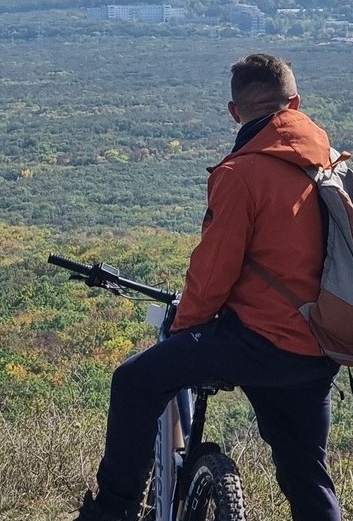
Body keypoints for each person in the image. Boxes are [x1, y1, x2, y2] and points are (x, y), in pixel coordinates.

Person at [75, 53, 340, 521]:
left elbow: (213, 271)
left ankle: (112, 512)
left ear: (235, 112)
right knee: (308, 479)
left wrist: (186, 330)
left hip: (259, 339)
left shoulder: (241, 175)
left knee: (134, 381)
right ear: (296, 102)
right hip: (320, 346)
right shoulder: (330, 160)